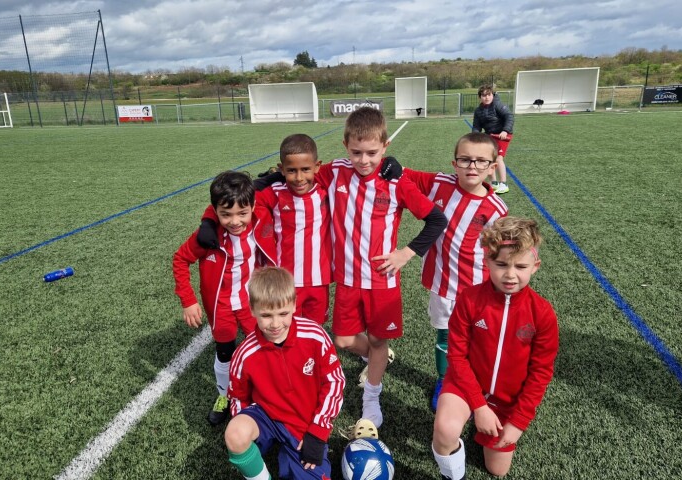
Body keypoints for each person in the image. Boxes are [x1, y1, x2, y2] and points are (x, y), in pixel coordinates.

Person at [315, 106, 447, 431]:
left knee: (376, 339)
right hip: (346, 280)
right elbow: (296, 173)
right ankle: (376, 358)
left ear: (385, 147)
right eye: (356, 152)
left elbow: (436, 219)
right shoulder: (333, 173)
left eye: (372, 153)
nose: (364, 160)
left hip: (381, 281)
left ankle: (372, 396)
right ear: (345, 146)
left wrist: (406, 253)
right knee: (344, 340)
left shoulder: (395, 181)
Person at [431, 216, 559, 479]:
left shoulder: (543, 313)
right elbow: (457, 356)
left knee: (497, 470)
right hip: (466, 386)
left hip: (507, 399)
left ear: (535, 266)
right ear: (487, 262)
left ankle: (485, 424)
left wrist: (518, 422)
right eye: (501, 264)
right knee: (445, 430)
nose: (510, 274)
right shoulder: (469, 299)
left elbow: (541, 372)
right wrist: (478, 406)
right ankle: (452, 472)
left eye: (520, 266)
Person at [401, 132, 509, 412]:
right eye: (465, 160)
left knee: (477, 340)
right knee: (445, 336)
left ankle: (478, 383)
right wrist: (384, 161)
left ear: (493, 165)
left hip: (476, 288)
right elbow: (403, 174)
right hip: (442, 284)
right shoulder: (439, 183)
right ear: (454, 162)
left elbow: (502, 253)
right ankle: (443, 380)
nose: (472, 166)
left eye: (480, 161)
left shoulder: (497, 209)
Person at [172, 170, 276, 426]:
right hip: (221, 307)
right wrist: (188, 300)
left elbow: (285, 183)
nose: (235, 220)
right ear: (215, 212)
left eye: (242, 213)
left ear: (252, 207)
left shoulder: (261, 217)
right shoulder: (209, 237)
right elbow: (180, 259)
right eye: (225, 214)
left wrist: (274, 175)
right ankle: (224, 396)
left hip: (253, 303)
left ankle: (263, 394)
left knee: (263, 346)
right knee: (225, 351)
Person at [225, 267, 345, 480]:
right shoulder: (244, 353)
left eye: (283, 313)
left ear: (293, 305)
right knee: (235, 433)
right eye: (266, 315)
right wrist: (243, 426)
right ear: (252, 310)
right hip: (266, 416)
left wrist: (317, 433)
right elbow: (237, 397)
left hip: (303, 423)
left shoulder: (315, 336)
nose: (275, 324)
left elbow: (335, 382)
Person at [198, 133, 332, 324]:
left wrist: (390, 162)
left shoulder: (326, 187)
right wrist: (208, 221)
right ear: (281, 169)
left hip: (319, 280)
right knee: (285, 328)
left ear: (317, 167)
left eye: (305, 169)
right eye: (292, 170)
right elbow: (232, 203)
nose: (299, 177)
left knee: (315, 327)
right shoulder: (274, 193)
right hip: (283, 280)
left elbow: (358, 166)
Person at [471, 85, 514, 195]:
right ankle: (494, 183)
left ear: (492, 95)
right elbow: (476, 126)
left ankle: (504, 184)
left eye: (489, 95)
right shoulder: (478, 111)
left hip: (502, 136)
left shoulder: (497, 105)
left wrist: (505, 130)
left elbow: (509, 116)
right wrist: (475, 137)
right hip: (490, 136)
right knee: (488, 159)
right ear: (479, 97)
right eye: (484, 95)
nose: (487, 97)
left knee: (498, 159)